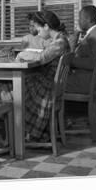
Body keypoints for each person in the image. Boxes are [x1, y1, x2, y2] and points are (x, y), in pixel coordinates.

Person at [16, 10, 70, 141]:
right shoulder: (59, 39)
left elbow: (42, 57)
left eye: (38, 28)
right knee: (9, 87)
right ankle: (17, 132)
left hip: (48, 86)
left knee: (11, 88)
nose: (37, 32)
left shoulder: (60, 42)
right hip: (49, 82)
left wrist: (21, 55)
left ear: (46, 26)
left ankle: (15, 134)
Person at [66, 5, 96, 93]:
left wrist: (71, 61)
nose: (78, 21)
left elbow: (92, 63)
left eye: (80, 18)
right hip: (79, 78)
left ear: (88, 19)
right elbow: (76, 51)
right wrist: (76, 35)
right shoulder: (91, 33)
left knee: (51, 82)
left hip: (82, 83)